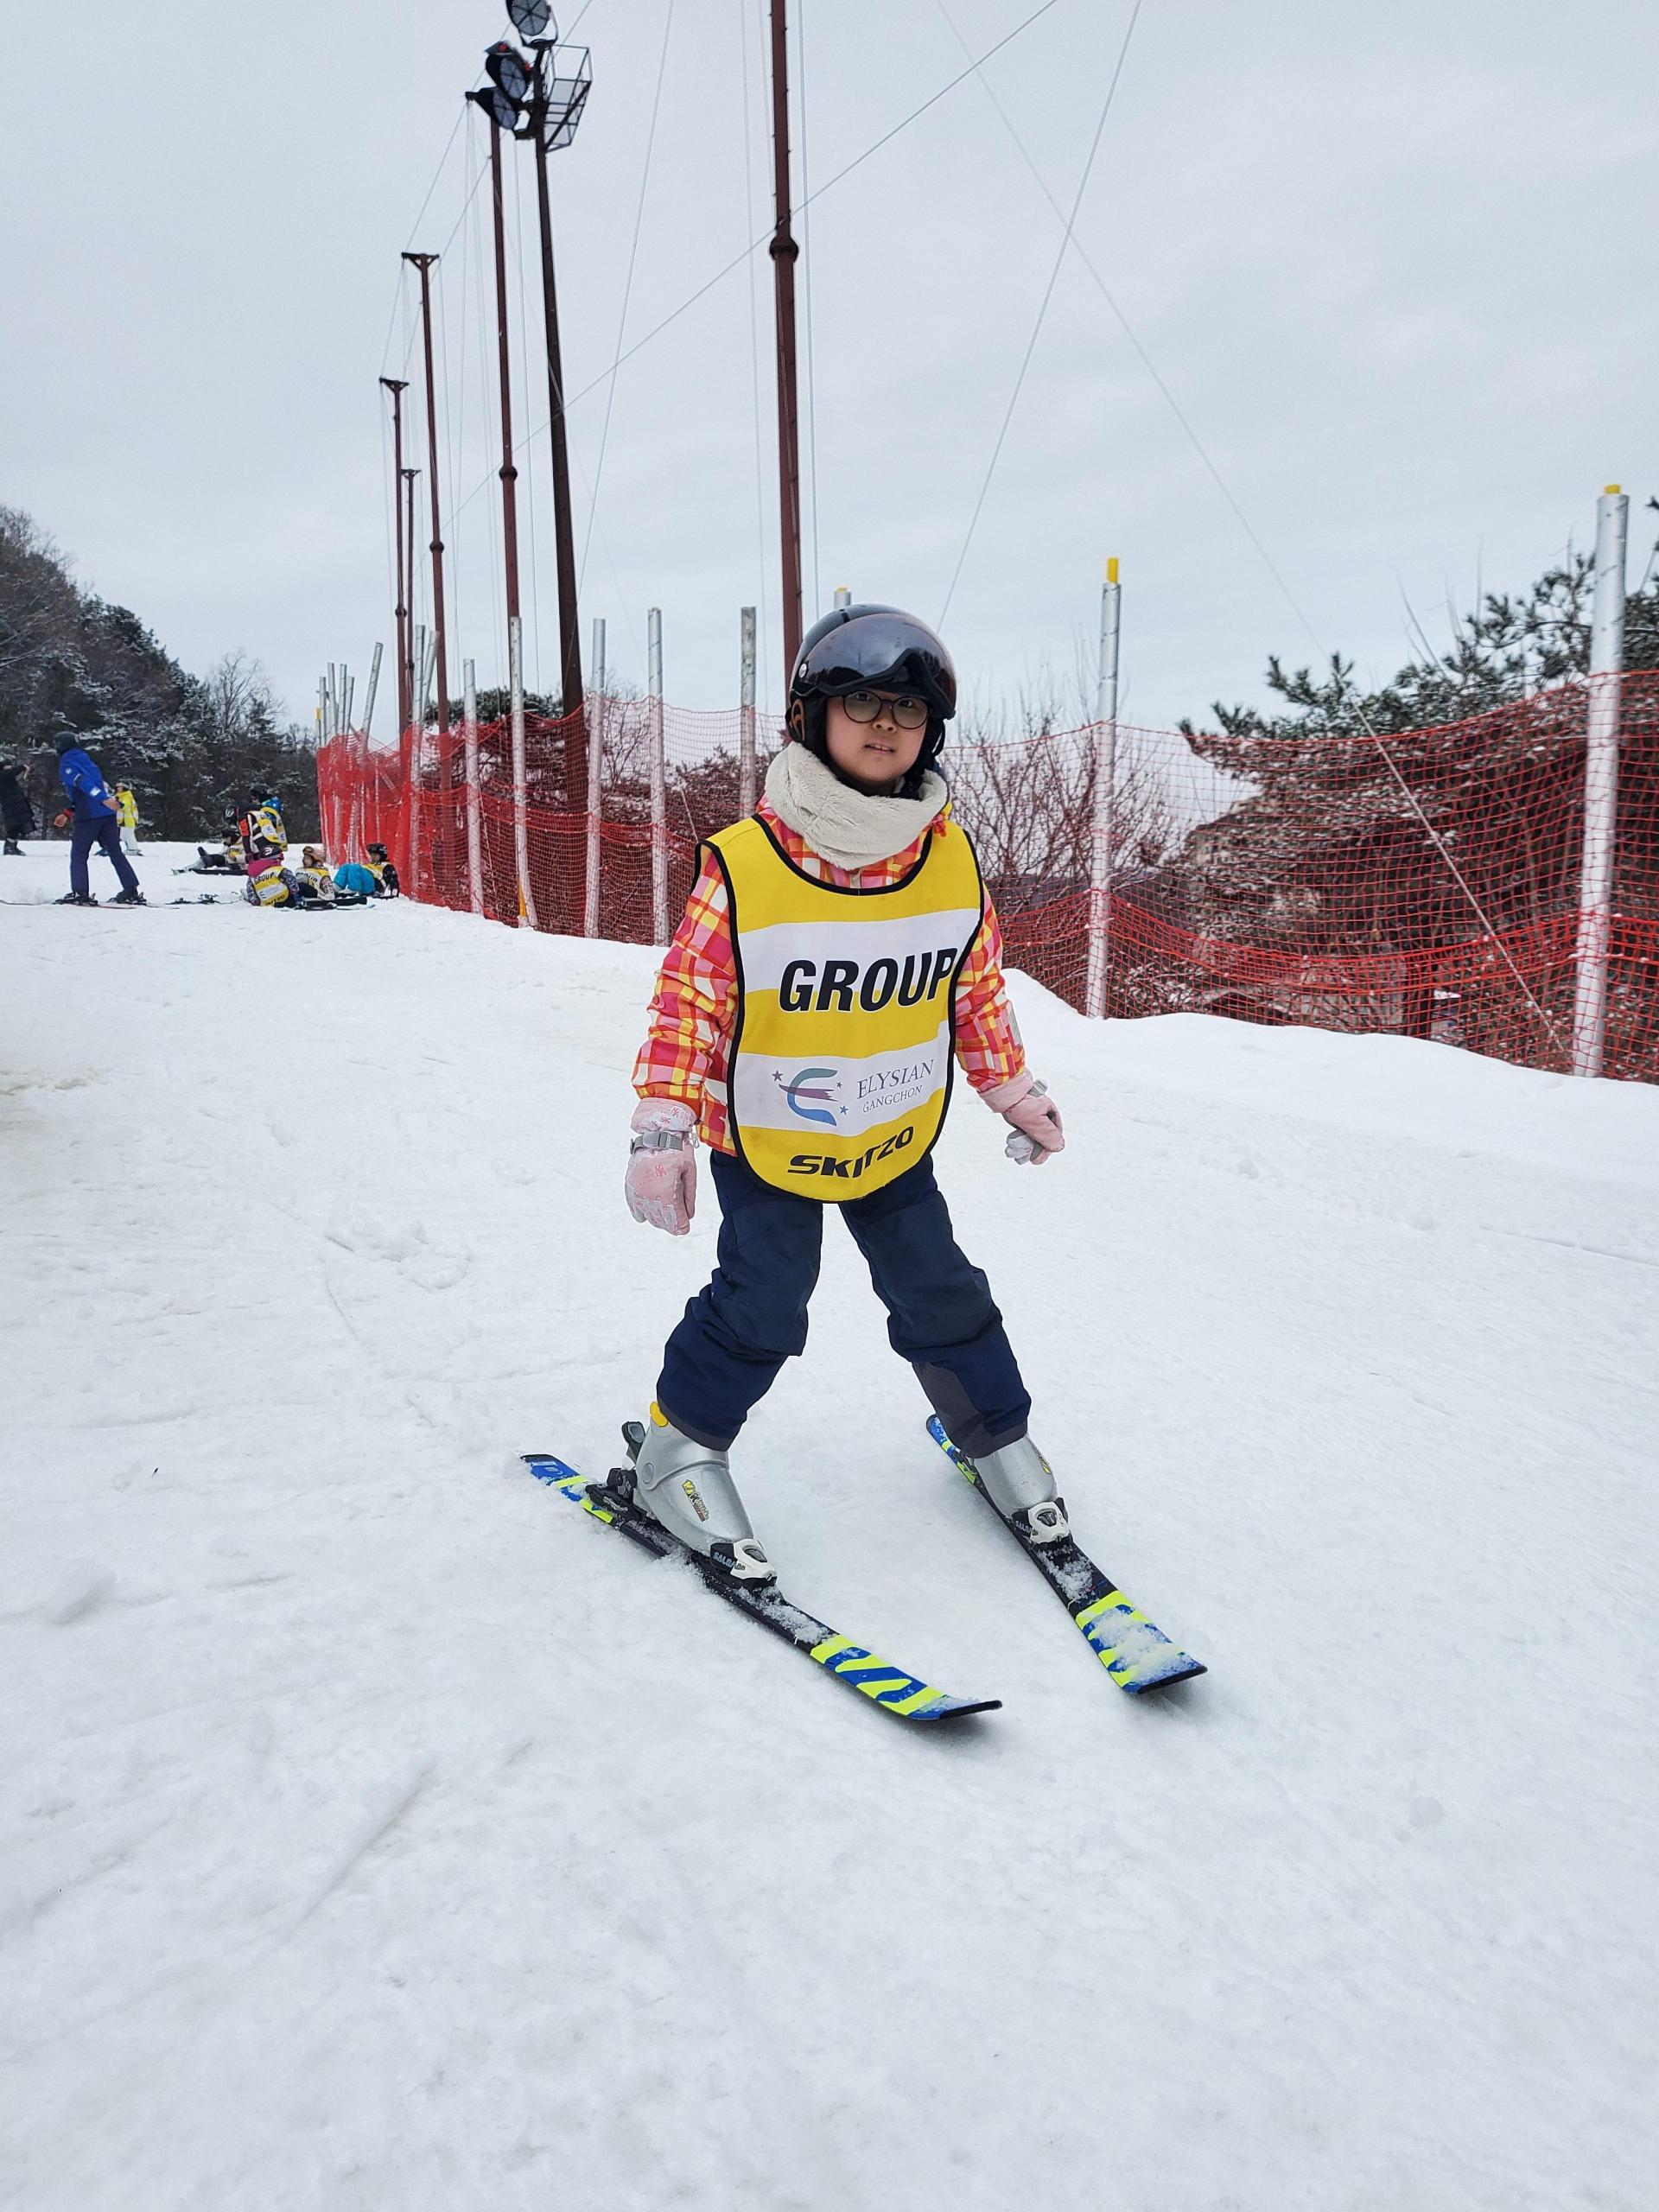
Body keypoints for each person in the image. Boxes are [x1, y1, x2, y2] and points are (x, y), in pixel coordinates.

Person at [620, 605, 1066, 1586]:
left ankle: (993, 1434)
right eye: (861, 702)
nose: (885, 724)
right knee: (765, 1301)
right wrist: (664, 1128)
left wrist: (1012, 1088)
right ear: (812, 716)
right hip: (768, 1139)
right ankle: (677, 1449)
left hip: (891, 1137)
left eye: (908, 709)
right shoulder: (748, 864)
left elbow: (973, 987)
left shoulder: (950, 859)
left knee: (941, 1289)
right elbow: (692, 1000)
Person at [54, 730, 143, 906]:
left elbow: (82, 783)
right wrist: (68, 813)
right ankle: (130, 889)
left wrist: (102, 799)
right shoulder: (86, 760)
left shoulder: (67, 762)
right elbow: (85, 791)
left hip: (90, 815)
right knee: (115, 852)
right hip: (106, 815)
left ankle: (80, 892)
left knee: (79, 854)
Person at [0, 760, 36, 855]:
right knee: (14, 826)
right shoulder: (3, 775)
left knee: (19, 826)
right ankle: (9, 847)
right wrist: (23, 767)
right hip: (10, 807)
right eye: (7, 766)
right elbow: (11, 772)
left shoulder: (9, 778)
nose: (9, 768)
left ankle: (13, 846)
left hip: (17, 805)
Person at [113, 783, 142, 855]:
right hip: (124, 820)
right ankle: (132, 848)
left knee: (128, 835)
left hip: (127, 820)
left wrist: (115, 802)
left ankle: (132, 849)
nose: (118, 789)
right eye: (117, 787)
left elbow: (124, 806)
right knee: (125, 835)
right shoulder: (121, 797)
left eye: (120, 787)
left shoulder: (127, 797)